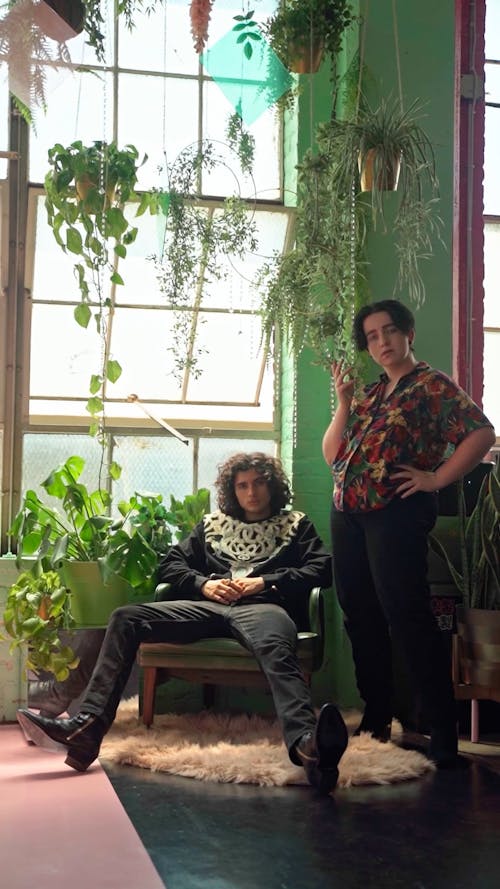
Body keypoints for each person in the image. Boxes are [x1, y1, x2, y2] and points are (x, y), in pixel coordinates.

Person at [17, 452, 348, 794]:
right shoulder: (211, 526)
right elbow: (170, 566)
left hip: (263, 608)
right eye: (242, 485)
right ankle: (85, 730)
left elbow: (321, 569)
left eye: (260, 483)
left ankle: (308, 746)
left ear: (273, 485)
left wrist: (265, 582)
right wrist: (203, 584)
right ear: (232, 490)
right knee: (127, 617)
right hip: (206, 607)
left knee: (278, 652)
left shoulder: (296, 525)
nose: (252, 492)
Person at [322, 299, 496, 768]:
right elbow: (333, 454)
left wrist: (437, 480)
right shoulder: (372, 392)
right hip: (349, 512)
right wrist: (342, 403)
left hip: (395, 512)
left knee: (407, 615)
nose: (382, 342)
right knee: (360, 614)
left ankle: (441, 729)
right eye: (373, 336)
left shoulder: (432, 386)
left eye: (390, 331)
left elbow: (480, 433)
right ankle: (378, 715)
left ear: (408, 334)